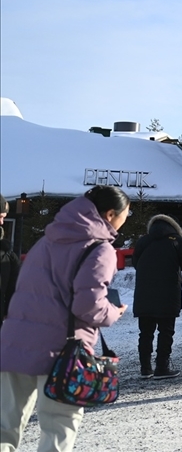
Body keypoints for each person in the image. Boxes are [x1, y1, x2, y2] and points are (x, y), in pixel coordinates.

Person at [0, 186, 130, 451]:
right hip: (62, 350)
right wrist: (113, 311)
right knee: (58, 426)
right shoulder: (100, 249)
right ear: (110, 214)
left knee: (5, 425)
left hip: (14, 342)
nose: (125, 220)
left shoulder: (47, 239)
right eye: (125, 214)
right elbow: (87, 305)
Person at [132, 214, 182, 379]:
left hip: (144, 293)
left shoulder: (143, 241)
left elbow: (136, 263)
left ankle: (145, 368)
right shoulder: (176, 241)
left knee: (145, 332)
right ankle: (162, 366)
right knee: (166, 331)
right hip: (168, 292)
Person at [0, 196, 21, 322]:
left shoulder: (8, 255)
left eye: (3, 217)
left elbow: (13, 288)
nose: (2, 222)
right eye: (0, 216)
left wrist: (9, 311)